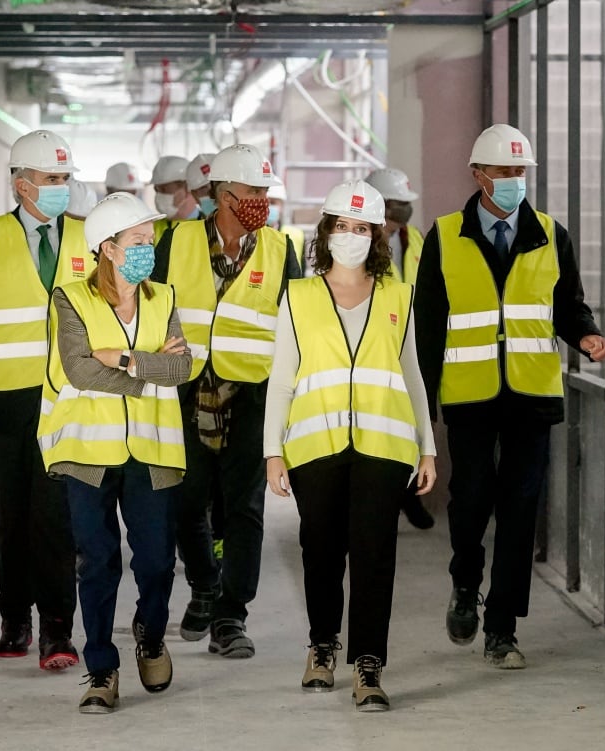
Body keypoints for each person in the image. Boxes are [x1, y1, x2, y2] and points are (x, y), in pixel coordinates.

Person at [414, 124, 605, 669]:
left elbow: (568, 304)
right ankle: (464, 583)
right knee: (471, 501)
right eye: (503, 172)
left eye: (520, 173)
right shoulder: (445, 236)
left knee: (521, 510)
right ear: (478, 175)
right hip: (471, 397)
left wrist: (586, 334)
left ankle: (502, 627)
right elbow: (427, 329)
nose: (513, 181)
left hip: (531, 395)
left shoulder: (552, 234)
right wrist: (422, 415)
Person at [265, 180, 436, 712]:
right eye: (342, 226)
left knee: (373, 557)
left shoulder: (397, 297)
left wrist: (427, 448)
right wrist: (273, 450)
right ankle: (322, 646)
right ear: (326, 231)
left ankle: (368, 664)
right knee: (319, 552)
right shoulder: (299, 296)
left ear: (378, 235)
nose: (352, 236)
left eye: (362, 228)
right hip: (316, 448)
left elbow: (413, 378)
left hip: (384, 448)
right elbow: (282, 380)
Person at [0, 129, 93, 671]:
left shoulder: (86, 239)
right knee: (11, 515)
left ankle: (57, 628)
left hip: (68, 405)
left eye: (64, 179)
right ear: (21, 184)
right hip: (4, 406)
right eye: (51, 180)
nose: (60, 189)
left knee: (58, 518)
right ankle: (15, 617)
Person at [37, 192, 192, 714]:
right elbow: (79, 369)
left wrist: (123, 358)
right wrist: (147, 368)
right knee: (97, 562)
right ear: (108, 248)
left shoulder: (163, 298)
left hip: (152, 451)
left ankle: (150, 634)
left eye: (150, 240)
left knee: (154, 561)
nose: (148, 248)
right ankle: (101, 669)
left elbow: (182, 368)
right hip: (88, 451)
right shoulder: (70, 299)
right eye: (138, 241)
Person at [152, 142, 301, 658]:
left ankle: (231, 615)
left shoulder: (282, 250)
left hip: (252, 396)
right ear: (223, 193)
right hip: (185, 392)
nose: (261, 199)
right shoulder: (174, 242)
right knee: (185, 503)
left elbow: (296, 329)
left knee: (245, 509)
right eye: (252, 190)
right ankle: (203, 584)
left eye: (265, 190)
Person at [365, 167, 435, 531]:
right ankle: (387, 503)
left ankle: (406, 496)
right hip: (371, 354)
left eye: (405, 208)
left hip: (407, 350)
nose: (401, 216)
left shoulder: (417, 242)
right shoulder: (353, 243)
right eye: (395, 208)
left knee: (407, 431)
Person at [365, 167, 424, 284]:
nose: (407, 209)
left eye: (407, 203)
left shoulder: (414, 236)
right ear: (380, 204)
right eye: (401, 203)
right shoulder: (361, 241)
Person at [151, 156, 196, 236]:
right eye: (156, 189)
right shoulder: (151, 230)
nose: (159, 195)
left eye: (165, 189)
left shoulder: (212, 227)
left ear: (188, 187)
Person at [267, 179, 305, 270]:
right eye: (264, 202)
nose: (267, 207)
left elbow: (301, 272)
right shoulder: (247, 235)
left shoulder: (296, 235)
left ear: (282, 205)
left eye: (273, 203)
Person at [186, 152, 217, 217]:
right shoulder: (191, 226)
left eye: (217, 185)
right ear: (194, 196)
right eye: (204, 189)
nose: (213, 194)